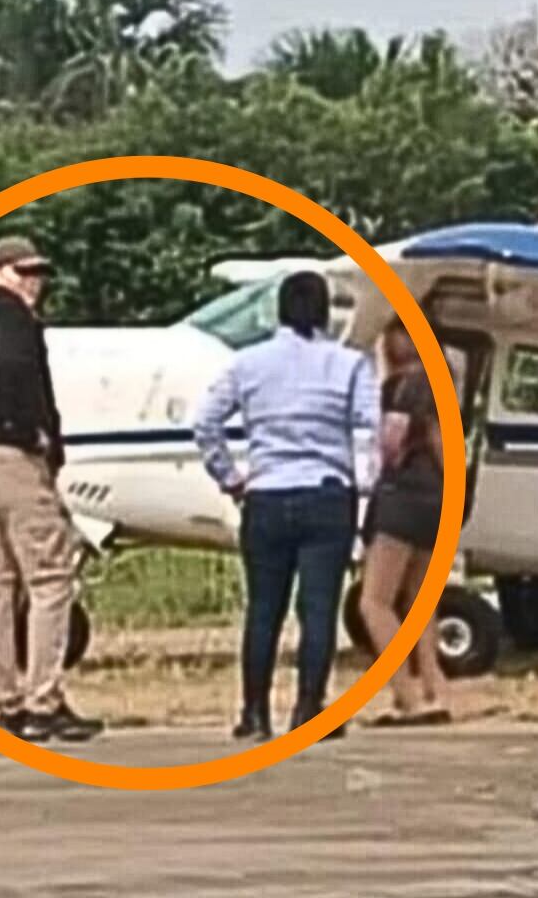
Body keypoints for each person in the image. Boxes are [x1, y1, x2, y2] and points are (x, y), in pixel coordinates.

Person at [194, 271, 379, 741]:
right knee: (318, 610)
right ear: (323, 312)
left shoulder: (248, 363)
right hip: (325, 494)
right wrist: (365, 488)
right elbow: (371, 429)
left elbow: (205, 423)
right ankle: (309, 709)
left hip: (267, 495)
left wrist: (230, 478)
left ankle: (254, 712)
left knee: (263, 609)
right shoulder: (348, 365)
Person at [0, 235, 103, 743]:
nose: (35, 282)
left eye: (39, 272)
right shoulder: (12, 317)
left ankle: (6, 701)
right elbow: (19, 371)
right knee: (51, 578)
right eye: (25, 271)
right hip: (12, 454)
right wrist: (35, 429)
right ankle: (44, 700)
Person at [356, 321, 452, 727]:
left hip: (403, 496)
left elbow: (393, 447)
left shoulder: (403, 388)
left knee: (374, 601)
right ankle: (436, 689)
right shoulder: (439, 382)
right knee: (419, 599)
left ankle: (404, 694)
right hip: (434, 497)